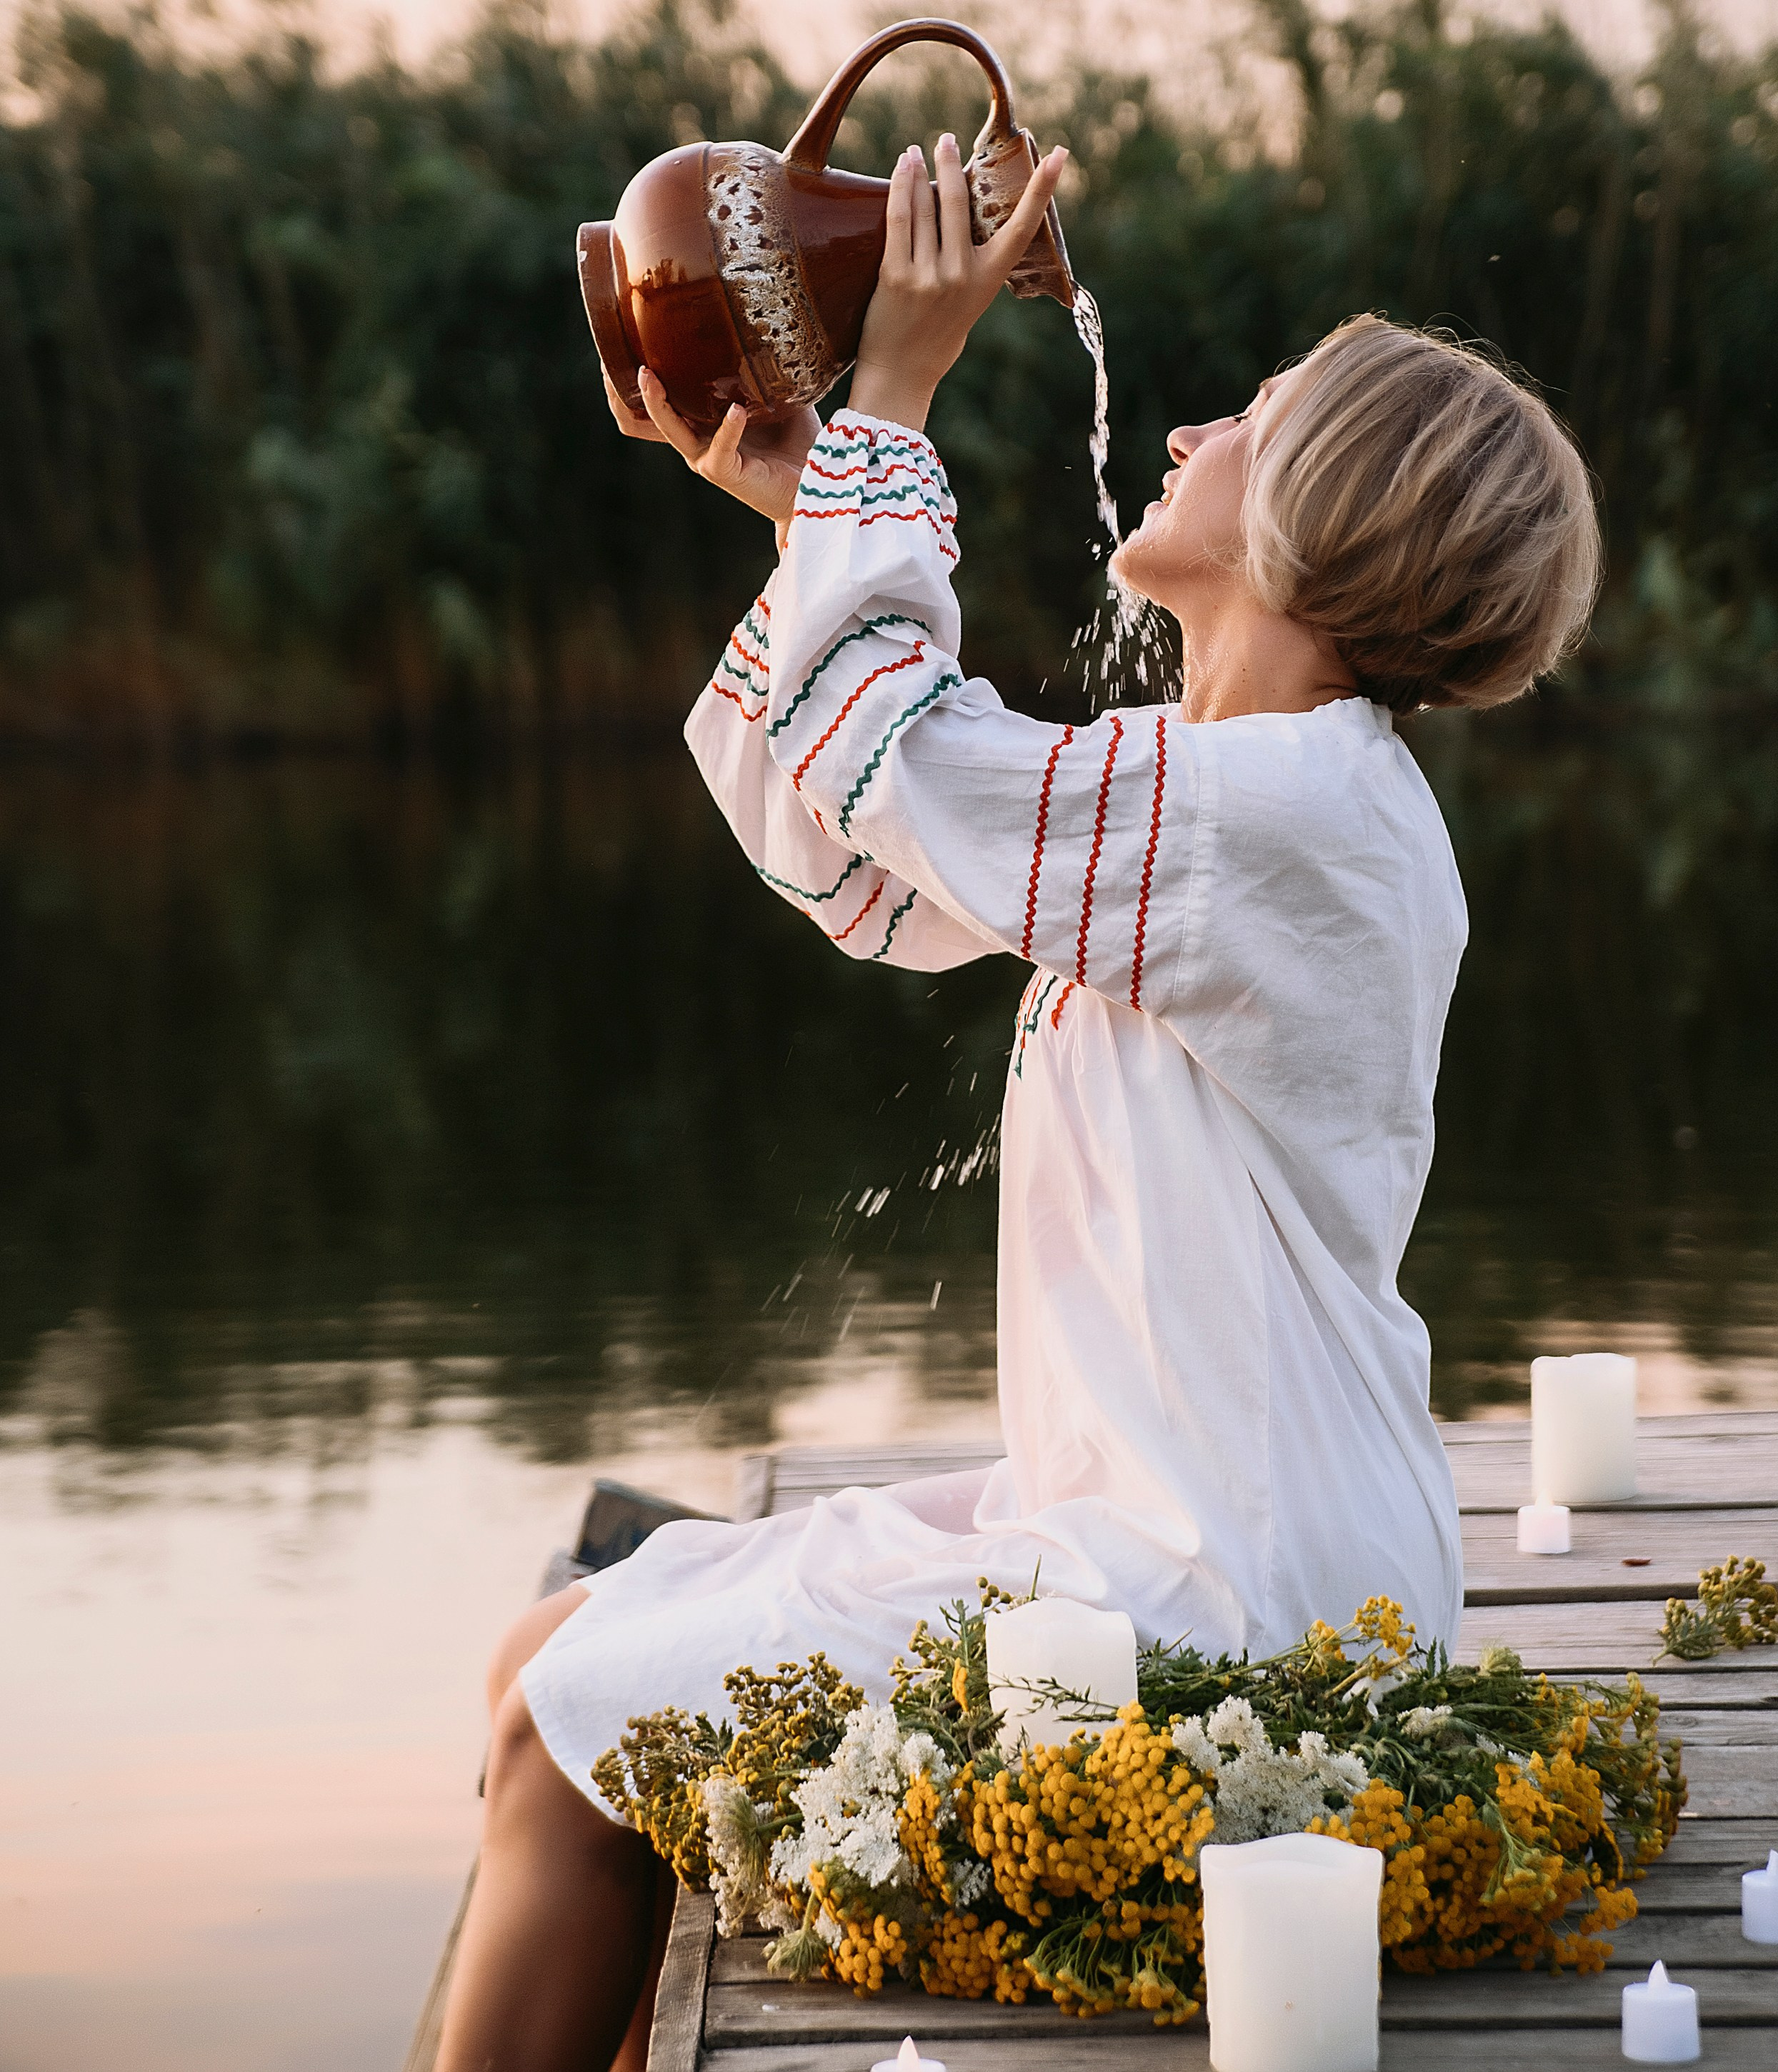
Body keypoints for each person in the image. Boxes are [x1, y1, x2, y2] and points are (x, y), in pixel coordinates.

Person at [435, 134, 1601, 2072]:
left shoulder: (1285, 819)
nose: (1197, 425)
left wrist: (890, 397)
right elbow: (865, 865)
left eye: (1257, 417)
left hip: (1221, 1595)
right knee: (551, 1663)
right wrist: (818, 500)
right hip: (1167, 1537)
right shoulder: (1228, 795)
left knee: (576, 1745)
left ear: (1330, 515)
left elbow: (888, 752)